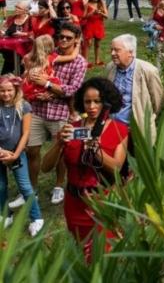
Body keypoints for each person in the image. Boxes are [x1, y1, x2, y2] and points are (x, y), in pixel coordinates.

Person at [41, 77, 128, 253]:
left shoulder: (119, 129)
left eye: (97, 101)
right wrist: (59, 143)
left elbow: (117, 168)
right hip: (75, 204)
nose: (92, 106)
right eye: (87, 101)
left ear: (107, 102)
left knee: (103, 255)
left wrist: (95, 149)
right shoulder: (71, 129)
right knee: (81, 254)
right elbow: (45, 167)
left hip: (103, 203)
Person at [24, 23, 87, 207]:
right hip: (37, 110)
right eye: (61, 37)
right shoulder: (50, 54)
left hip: (60, 113)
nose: (63, 40)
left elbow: (72, 90)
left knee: (60, 151)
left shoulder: (79, 62)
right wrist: (38, 89)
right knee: (32, 151)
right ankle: (32, 188)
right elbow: (31, 71)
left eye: (68, 38)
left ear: (76, 40)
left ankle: (59, 185)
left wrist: (48, 86)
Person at [0, 74, 43, 236]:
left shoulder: (24, 106)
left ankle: (36, 218)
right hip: (0, 152)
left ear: (16, 90)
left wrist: (15, 154)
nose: (6, 94)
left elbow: (25, 133)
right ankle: (5, 214)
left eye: (9, 90)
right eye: (2, 91)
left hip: (17, 153)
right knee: (1, 186)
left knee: (25, 186)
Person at [106, 34, 163, 143]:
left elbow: (157, 101)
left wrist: (145, 118)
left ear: (131, 53)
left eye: (117, 50)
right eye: (111, 49)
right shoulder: (110, 67)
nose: (112, 53)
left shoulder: (148, 71)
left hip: (137, 129)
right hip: (113, 127)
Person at [1, 1, 31, 75]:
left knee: (20, 72)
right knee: (5, 74)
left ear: (25, 10)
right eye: (16, 7)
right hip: (10, 49)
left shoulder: (30, 20)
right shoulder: (11, 18)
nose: (16, 9)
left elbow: (35, 33)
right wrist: (2, 32)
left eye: (19, 8)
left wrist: (23, 34)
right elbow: (4, 29)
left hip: (24, 49)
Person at [82, 0, 108, 66]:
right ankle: (85, 62)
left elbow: (106, 16)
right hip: (89, 25)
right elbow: (84, 16)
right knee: (88, 44)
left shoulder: (101, 4)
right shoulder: (88, 4)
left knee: (97, 44)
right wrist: (92, 13)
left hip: (99, 25)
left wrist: (100, 13)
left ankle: (97, 60)